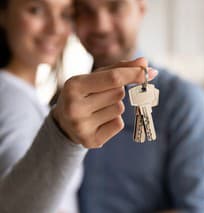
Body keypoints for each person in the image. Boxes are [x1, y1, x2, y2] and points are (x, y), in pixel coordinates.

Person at [0, 0, 157, 212]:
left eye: (65, 14)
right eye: (36, 10)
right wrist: (63, 136)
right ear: (3, 12)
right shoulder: (11, 101)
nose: (55, 28)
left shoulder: (30, 96)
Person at [74, 0, 204, 212]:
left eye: (115, 7)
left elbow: (200, 208)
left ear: (141, 8)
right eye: (84, 11)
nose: (101, 26)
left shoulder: (184, 103)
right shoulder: (65, 105)